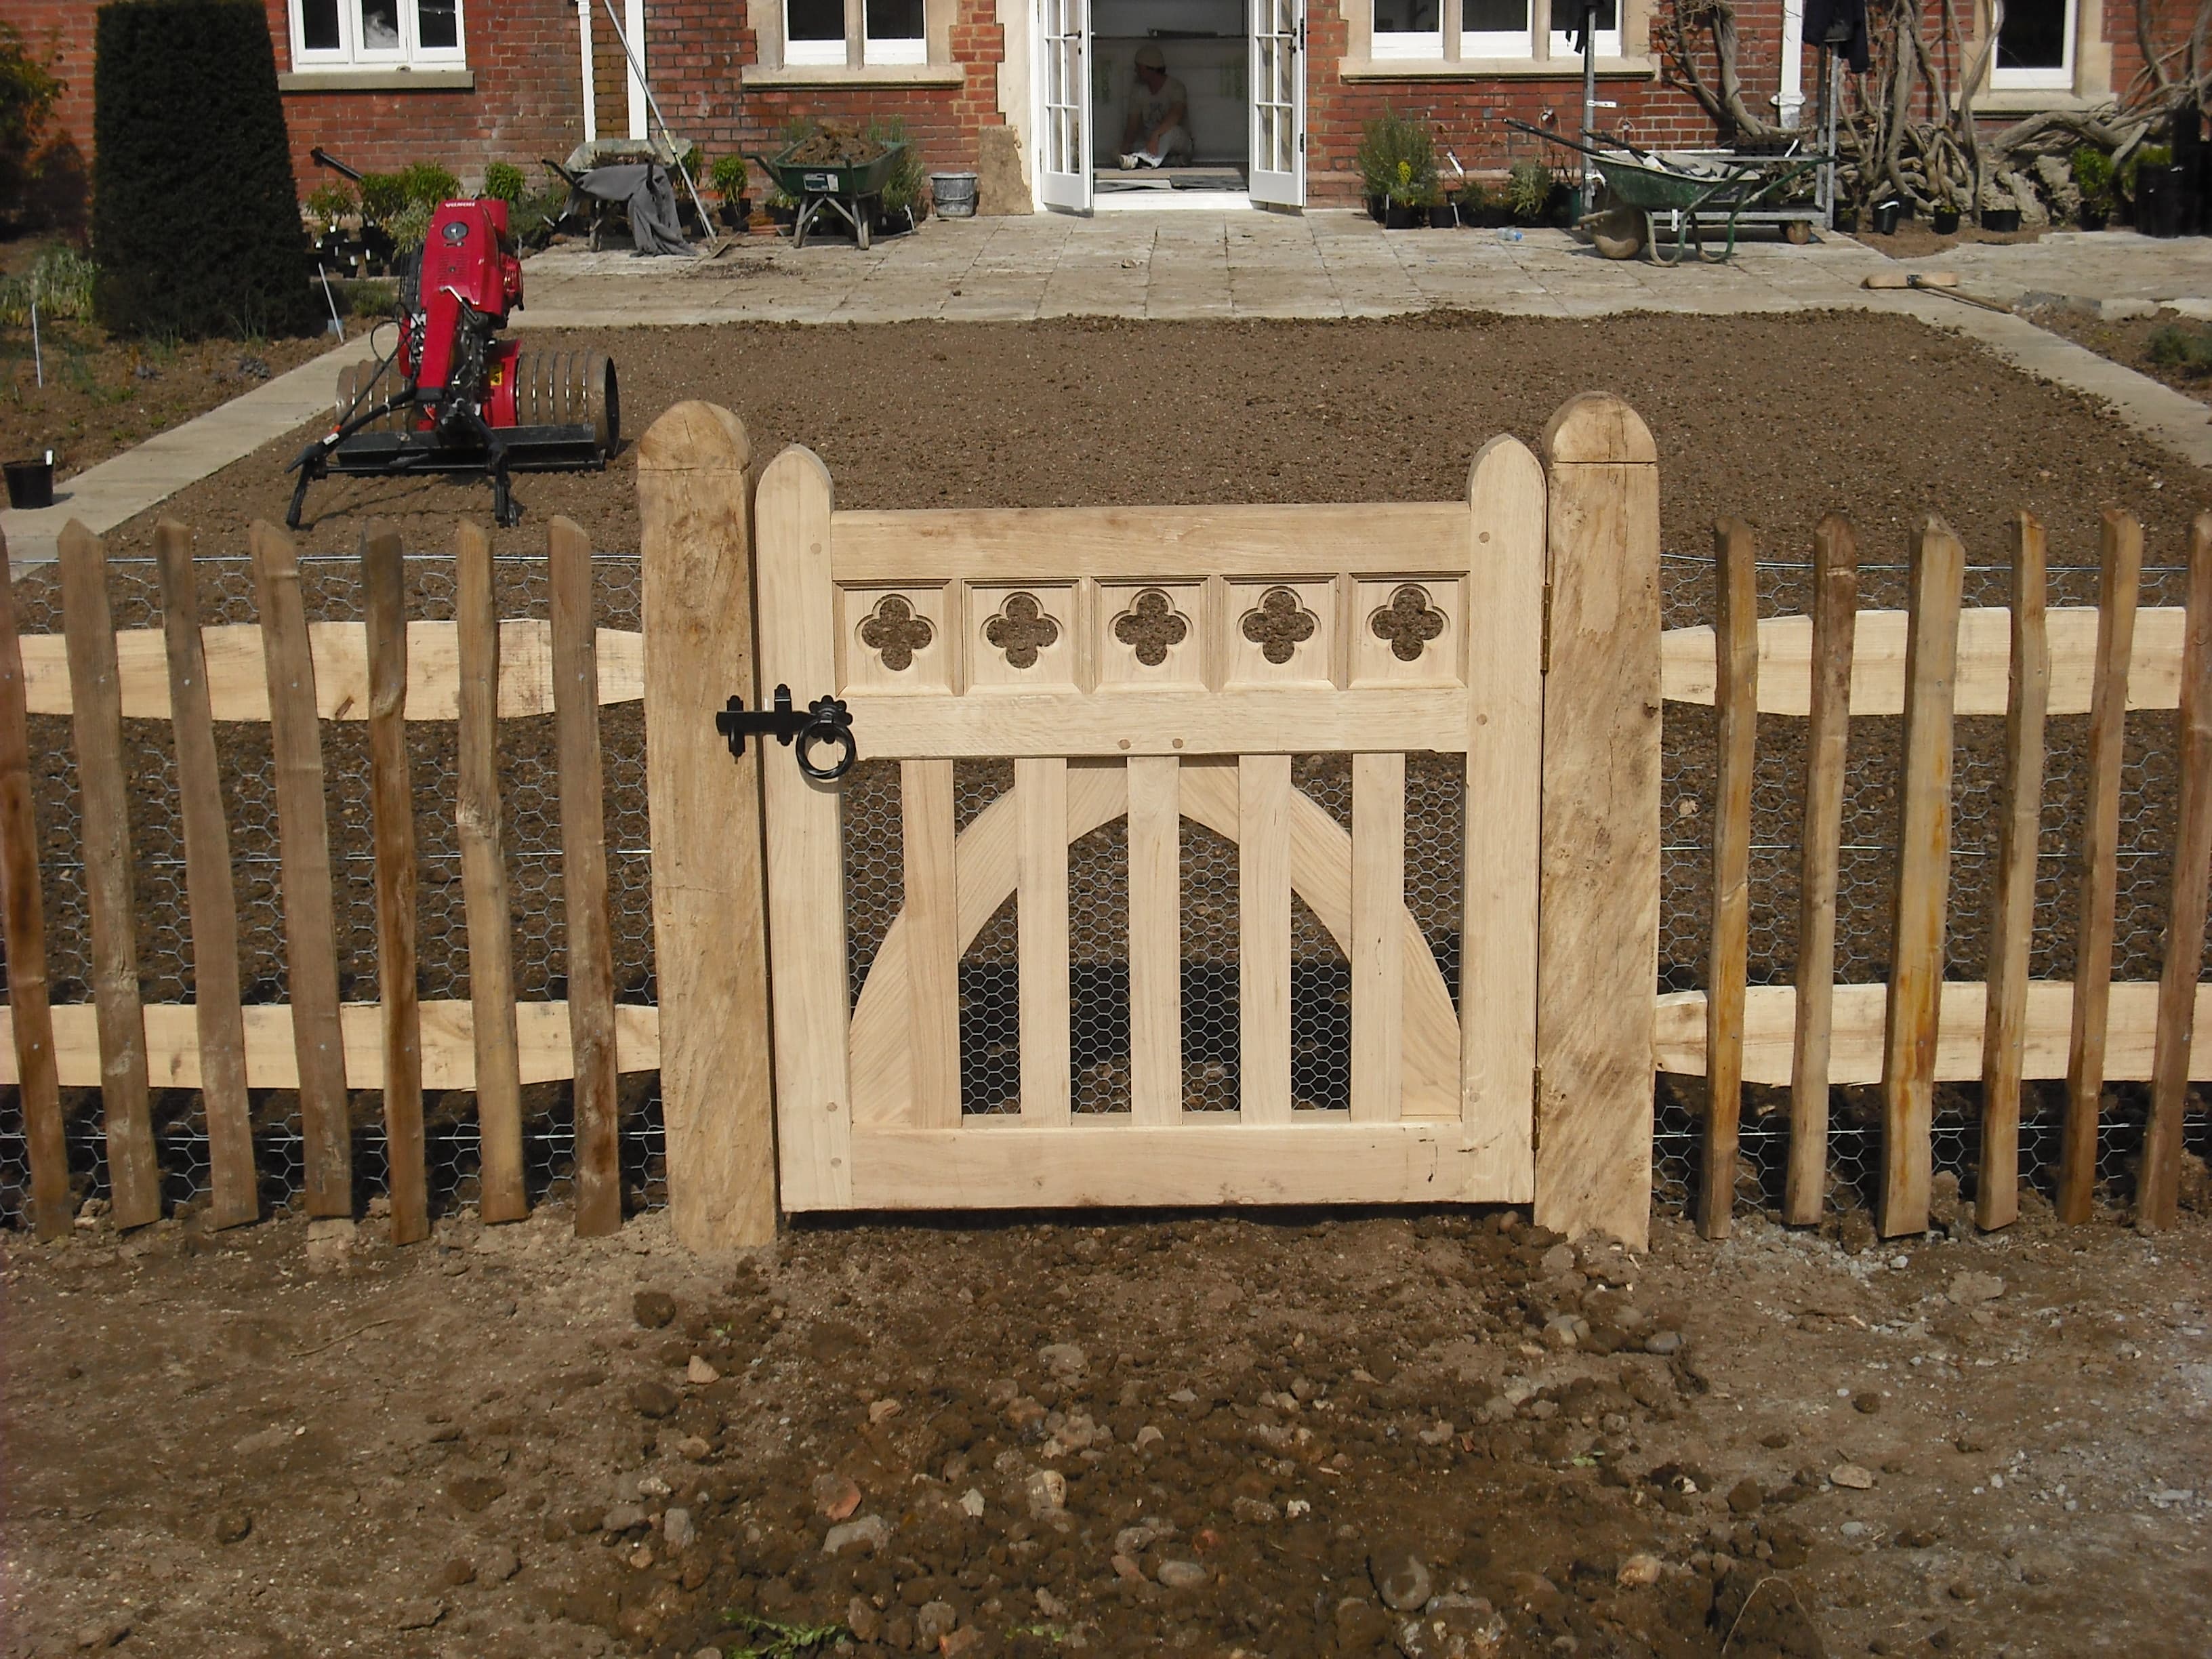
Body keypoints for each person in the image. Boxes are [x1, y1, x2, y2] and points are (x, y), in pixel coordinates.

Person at [1119, 44, 1193, 169]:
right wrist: (1124, 149)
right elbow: (1132, 126)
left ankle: (1140, 160)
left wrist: (1157, 134)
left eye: (1139, 67)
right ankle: (1168, 161)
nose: (1136, 71)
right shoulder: (1138, 91)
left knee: (1172, 132)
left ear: (1151, 69)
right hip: (1151, 144)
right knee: (1127, 147)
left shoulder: (1176, 87)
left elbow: (1176, 114)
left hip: (1178, 142)